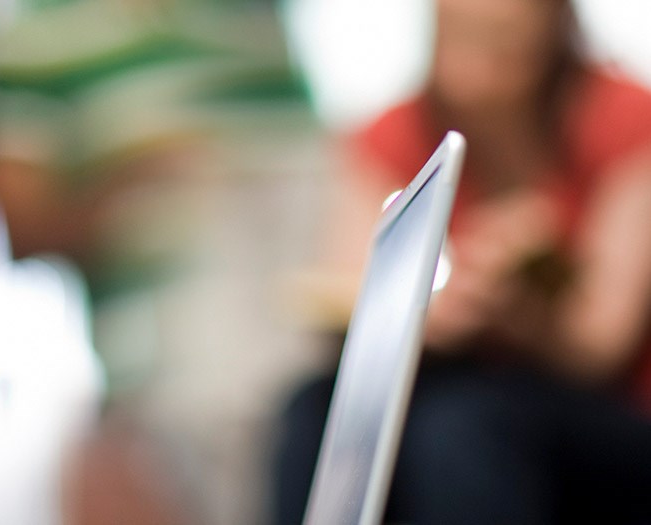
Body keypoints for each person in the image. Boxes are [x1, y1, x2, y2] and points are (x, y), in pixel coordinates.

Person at [275, 0, 651, 523]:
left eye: (501, 40)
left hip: (600, 409)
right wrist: (425, 316)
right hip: (459, 379)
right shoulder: (391, 132)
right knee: (313, 407)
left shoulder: (626, 117)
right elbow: (350, 293)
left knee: (463, 426)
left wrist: (515, 309)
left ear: (551, 30)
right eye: (460, 34)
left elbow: (598, 348)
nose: (477, 64)